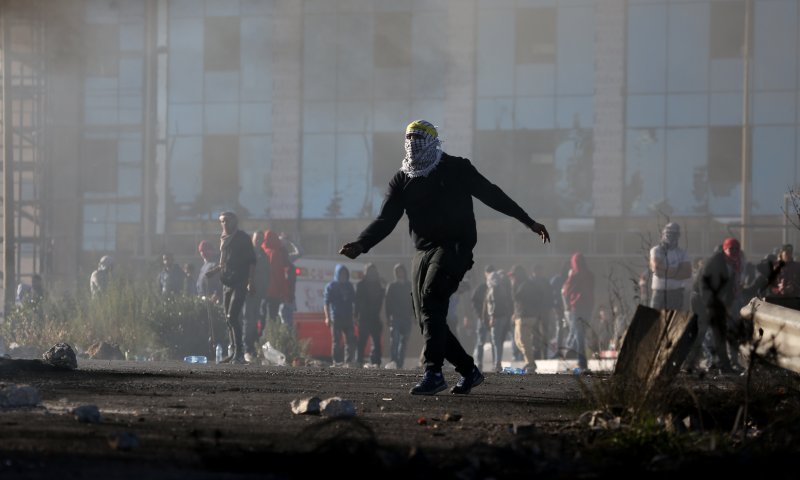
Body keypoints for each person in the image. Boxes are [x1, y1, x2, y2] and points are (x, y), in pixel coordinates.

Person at [338, 119, 550, 395]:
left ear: (433, 142)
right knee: (427, 315)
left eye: (419, 139)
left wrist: (528, 221)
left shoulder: (457, 167)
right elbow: (385, 220)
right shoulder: (403, 178)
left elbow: (492, 195)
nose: (413, 145)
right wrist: (360, 244)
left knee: (430, 299)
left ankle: (433, 372)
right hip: (423, 250)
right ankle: (468, 370)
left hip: (455, 247)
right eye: (409, 139)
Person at [685, 238, 744, 373]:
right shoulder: (714, 262)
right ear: (724, 250)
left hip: (714, 301)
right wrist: (710, 306)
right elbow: (703, 285)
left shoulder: (733, 264)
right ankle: (690, 363)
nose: (734, 252)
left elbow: (729, 289)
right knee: (702, 331)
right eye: (731, 249)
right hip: (701, 299)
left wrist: (727, 306)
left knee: (718, 332)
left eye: (736, 249)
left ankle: (723, 365)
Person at [204, 211, 256, 364]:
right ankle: (233, 351)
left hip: (240, 282)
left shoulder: (242, 238)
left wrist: (250, 281)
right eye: (222, 221)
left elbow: (252, 261)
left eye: (227, 221)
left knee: (233, 316)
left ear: (234, 222)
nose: (224, 224)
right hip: (227, 282)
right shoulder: (224, 239)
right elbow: (223, 262)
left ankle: (240, 353)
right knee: (228, 319)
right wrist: (214, 271)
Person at [508, 265, 547, 373]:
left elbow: (515, 297)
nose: (512, 278)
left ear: (518, 275)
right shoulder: (529, 283)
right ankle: (529, 361)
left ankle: (530, 363)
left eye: (513, 276)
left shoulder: (523, 285)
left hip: (525, 317)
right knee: (518, 341)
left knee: (523, 341)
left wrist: (513, 285)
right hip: (522, 315)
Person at [561, 252, 594, 372]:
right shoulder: (590, 275)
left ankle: (581, 362)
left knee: (578, 335)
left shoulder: (574, 275)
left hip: (577, 308)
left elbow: (565, 290)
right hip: (588, 308)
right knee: (581, 334)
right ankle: (572, 354)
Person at [649, 223, 692, 310]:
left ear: (678, 236)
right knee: (654, 320)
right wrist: (677, 271)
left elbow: (687, 273)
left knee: (675, 322)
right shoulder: (656, 250)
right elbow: (656, 269)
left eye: (673, 234)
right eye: (668, 233)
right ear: (663, 234)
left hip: (676, 293)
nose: (670, 236)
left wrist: (665, 271)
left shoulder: (682, 253)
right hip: (659, 293)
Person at [324, 264, 357, 366]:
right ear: (337, 274)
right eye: (341, 274)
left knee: (350, 340)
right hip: (336, 317)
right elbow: (326, 303)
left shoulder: (349, 286)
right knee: (337, 341)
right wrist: (327, 317)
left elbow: (354, 301)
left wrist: (355, 316)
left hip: (348, 318)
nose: (343, 276)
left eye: (345, 274)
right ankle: (336, 361)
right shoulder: (331, 286)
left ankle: (348, 361)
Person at [244, 230, 269, 363]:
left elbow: (267, 274)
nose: (258, 240)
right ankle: (246, 349)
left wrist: (265, 290)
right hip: (248, 293)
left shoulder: (264, 255)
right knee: (248, 321)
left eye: (261, 238)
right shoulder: (248, 253)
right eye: (256, 238)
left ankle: (253, 348)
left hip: (259, 294)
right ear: (252, 239)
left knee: (255, 322)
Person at [355, 263, 385, 368]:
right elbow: (357, 302)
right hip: (364, 317)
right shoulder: (360, 285)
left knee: (376, 342)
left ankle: (376, 361)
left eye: (373, 271)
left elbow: (383, 300)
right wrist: (355, 315)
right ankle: (358, 361)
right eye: (369, 271)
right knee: (362, 341)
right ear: (365, 272)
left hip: (375, 317)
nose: (371, 273)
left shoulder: (380, 285)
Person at [385, 263, 413, 369]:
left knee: (404, 342)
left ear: (404, 272)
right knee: (395, 341)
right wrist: (388, 317)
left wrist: (414, 315)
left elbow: (414, 301)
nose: (399, 273)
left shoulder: (409, 285)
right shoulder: (391, 286)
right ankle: (394, 361)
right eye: (397, 271)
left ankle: (400, 364)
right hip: (395, 318)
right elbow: (388, 303)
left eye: (400, 271)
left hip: (407, 318)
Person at [486, 268, 513, 373]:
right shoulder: (502, 288)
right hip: (503, 317)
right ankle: (497, 363)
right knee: (499, 341)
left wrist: (492, 316)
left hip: (496, 317)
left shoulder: (494, 288)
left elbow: (493, 304)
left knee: (496, 341)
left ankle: (497, 364)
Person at [261, 230, 291, 324]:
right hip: (274, 292)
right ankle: (270, 338)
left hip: (261, 291)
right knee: (272, 319)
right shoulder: (275, 253)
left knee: (262, 318)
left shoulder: (262, 251)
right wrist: (284, 292)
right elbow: (279, 275)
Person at [470, 265, 494, 369]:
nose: (490, 274)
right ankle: (479, 363)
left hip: (493, 318)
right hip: (483, 319)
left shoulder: (495, 287)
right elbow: (474, 302)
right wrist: (479, 315)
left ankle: (494, 362)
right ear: (485, 274)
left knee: (494, 341)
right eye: (488, 272)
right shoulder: (481, 288)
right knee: (481, 341)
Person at [278, 232, 303, 328]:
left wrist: (291, 240)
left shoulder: (288, 259)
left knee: (288, 324)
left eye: (284, 250)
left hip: (289, 298)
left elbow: (301, 252)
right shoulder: (273, 258)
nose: (283, 253)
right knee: (281, 322)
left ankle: (288, 341)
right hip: (278, 298)